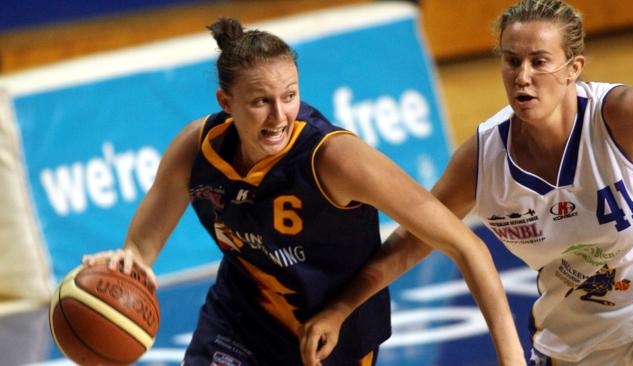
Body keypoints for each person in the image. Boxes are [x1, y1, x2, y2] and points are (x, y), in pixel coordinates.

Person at [83, 17, 525, 366]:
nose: (279, 115)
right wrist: (127, 264)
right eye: (260, 101)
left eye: (289, 96)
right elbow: (141, 250)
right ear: (225, 103)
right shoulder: (195, 149)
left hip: (334, 335)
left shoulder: (334, 159)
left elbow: (468, 247)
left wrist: (511, 359)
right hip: (240, 318)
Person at [300, 0, 633, 365]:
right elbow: (412, 241)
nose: (522, 76)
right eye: (512, 60)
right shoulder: (483, 161)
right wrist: (340, 308)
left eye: (539, 61)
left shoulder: (621, 117)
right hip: (574, 341)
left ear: (572, 68)